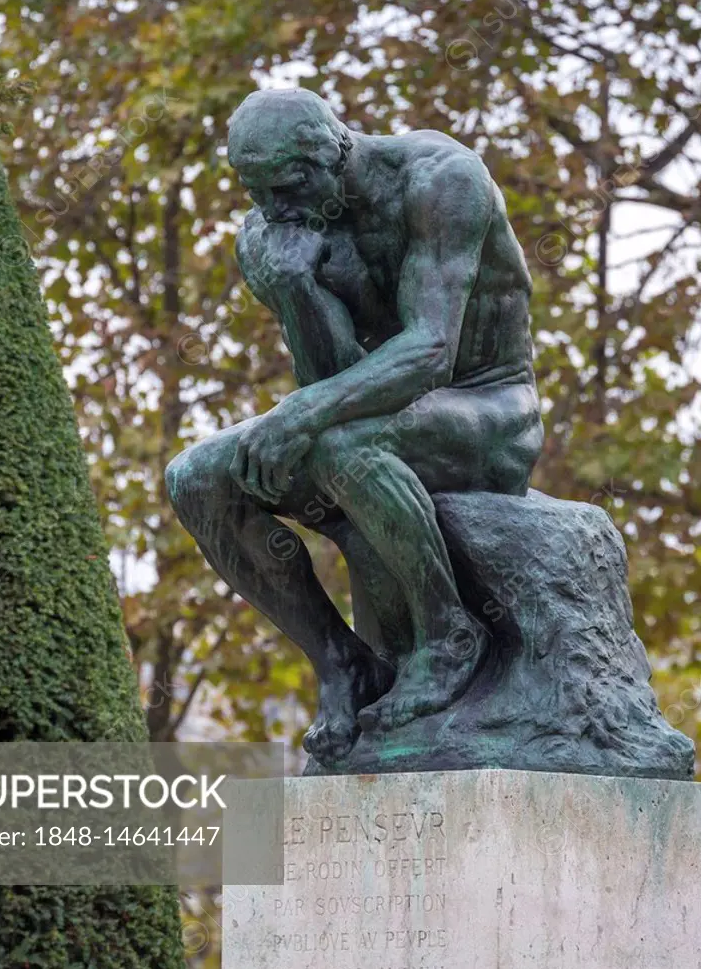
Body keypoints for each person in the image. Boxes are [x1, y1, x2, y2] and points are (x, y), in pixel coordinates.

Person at [166, 88, 543, 763]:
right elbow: (330, 375)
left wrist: (301, 414)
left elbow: (432, 350)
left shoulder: (440, 181)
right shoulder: (273, 234)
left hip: (491, 410)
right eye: (253, 192)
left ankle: (449, 634)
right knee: (194, 477)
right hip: (381, 420)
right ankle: (342, 663)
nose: (269, 209)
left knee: (342, 438)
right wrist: (295, 291)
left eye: (282, 187)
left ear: (329, 153)